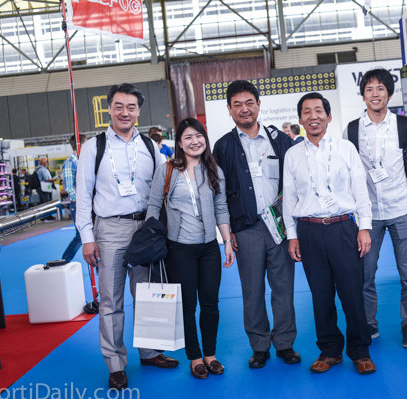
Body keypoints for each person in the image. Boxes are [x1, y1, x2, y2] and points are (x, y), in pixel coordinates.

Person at [76, 83, 176, 391]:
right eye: (119, 106)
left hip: (145, 229)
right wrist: (87, 236)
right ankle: (116, 364)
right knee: (111, 301)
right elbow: (83, 196)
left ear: (138, 111)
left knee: (148, 294)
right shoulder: (94, 147)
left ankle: (150, 352)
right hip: (110, 230)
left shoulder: (149, 146)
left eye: (131, 107)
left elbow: (162, 188)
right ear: (109, 109)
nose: (124, 112)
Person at [283, 92, 376, 375]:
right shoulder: (292, 155)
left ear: (328, 116)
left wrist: (364, 227)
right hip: (309, 231)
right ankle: (329, 350)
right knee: (320, 296)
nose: (313, 116)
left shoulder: (346, 148)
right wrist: (292, 235)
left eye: (318, 111)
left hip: (343, 228)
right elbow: (289, 198)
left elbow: (360, 191)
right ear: (300, 120)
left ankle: (360, 351)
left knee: (352, 294)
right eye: (307, 112)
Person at [212, 80, 299, 368]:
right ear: (229, 109)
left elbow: (294, 183)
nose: (244, 109)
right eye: (237, 104)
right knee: (252, 291)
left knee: (284, 287)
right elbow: (219, 194)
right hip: (246, 229)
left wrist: (294, 227)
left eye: (249, 102)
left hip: (280, 228)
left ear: (259, 105)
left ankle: (285, 343)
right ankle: (259, 346)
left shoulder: (279, 140)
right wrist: (227, 234)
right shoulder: (223, 146)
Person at [342, 68, 407, 347]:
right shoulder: (352, 130)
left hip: (401, 208)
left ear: (389, 93)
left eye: (380, 88)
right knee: (365, 273)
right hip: (368, 216)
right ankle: (368, 323)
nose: (375, 94)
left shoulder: (404, 125)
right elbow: (345, 171)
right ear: (363, 95)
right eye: (369, 89)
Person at [146, 118, 235, 380]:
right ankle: (195, 358)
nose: (195, 141)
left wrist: (227, 242)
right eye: (188, 137)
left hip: (209, 248)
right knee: (187, 306)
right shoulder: (167, 170)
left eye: (199, 136)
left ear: (205, 139)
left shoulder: (214, 170)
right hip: (179, 249)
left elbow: (221, 207)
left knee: (210, 304)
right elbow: (153, 207)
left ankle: (210, 355)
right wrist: (150, 241)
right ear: (179, 143)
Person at [61, 134, 86, 263]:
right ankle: (64, 260)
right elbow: (70, 188)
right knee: (81, 236)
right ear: (80, 145)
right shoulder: (70, 162)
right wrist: (82, 202)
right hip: (78, 204)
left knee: (93, 235)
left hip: (87, 203)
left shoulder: (83, 161)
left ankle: (99, 265)